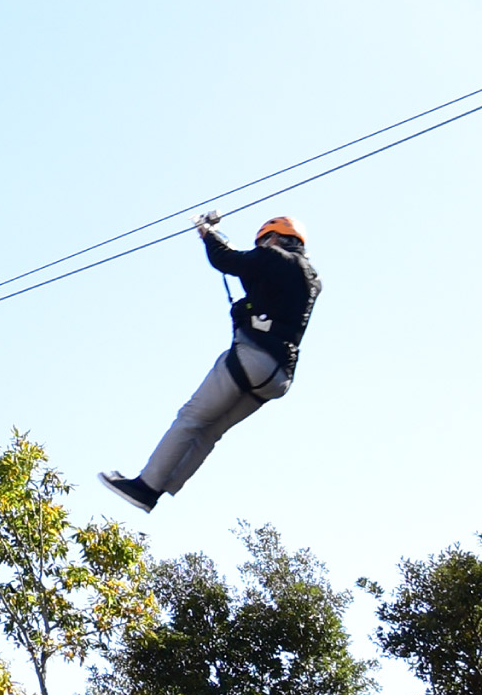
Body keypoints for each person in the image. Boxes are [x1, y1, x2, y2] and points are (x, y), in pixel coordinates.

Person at [100, 214, 320, 511]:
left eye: (263, 241)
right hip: (279, 377)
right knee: (210, 431)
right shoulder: (310, 278)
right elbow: (251, 272)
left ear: (275, 238)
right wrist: (218, 237)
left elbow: (227, 261)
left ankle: (145, 486)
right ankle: (161, 488)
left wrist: (207, 233)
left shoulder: (273, 257)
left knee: (191, 418)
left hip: (252, 358)